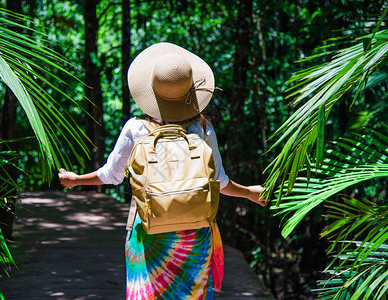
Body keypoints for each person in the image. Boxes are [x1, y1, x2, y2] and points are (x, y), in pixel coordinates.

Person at [59, 42, 267, 299]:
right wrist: (249, 193)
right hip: (194, 236)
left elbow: (111, 175)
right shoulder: (203, 129)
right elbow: (219, 182)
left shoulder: (135, 129)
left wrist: (76, 180)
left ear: (151, 91)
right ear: (191, 90)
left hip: (148, 231)